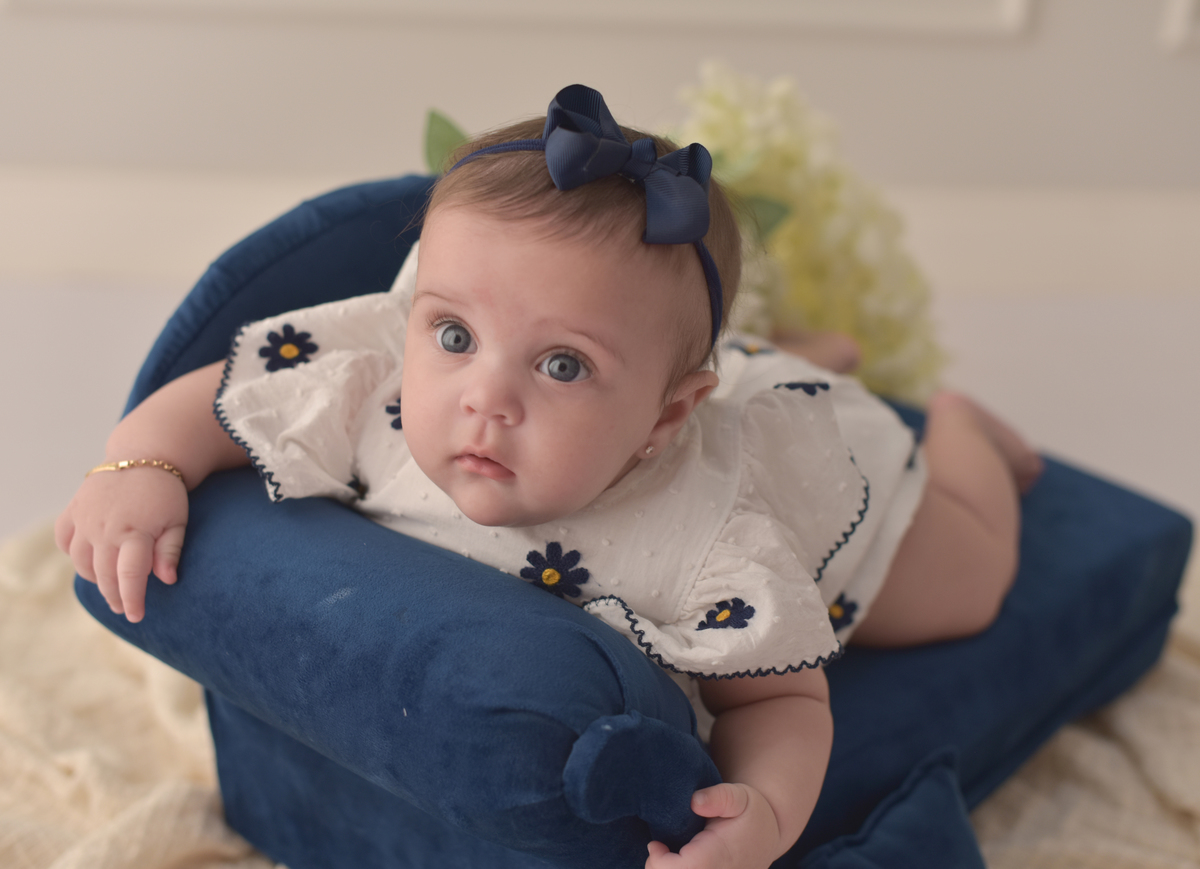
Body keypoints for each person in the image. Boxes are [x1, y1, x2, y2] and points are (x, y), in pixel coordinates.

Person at [56, 85, 1042, 869]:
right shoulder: (376, 386)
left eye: (561, 364)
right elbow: (225, 395)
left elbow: (781, 700)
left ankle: (966, 433)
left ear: (665, 419)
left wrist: (766, 812)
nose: (484, 398)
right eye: (454, 334)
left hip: (822, 472)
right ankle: (778, 349)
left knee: (968, 583)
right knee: (701, 357)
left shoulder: (712, 532)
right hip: (694, 377)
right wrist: (140, 463)